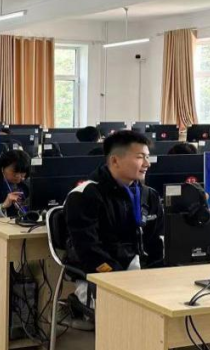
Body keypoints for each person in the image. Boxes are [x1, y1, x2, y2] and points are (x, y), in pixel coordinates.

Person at [64, 130, 165, 308]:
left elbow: (157, 240)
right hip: (100, 278)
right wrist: (120, 278)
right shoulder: (84, 195)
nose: (147, 164)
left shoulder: (150, 196)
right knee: (138, 308)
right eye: (140, 157)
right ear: (115, 161)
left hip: (142, 276)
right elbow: (88, 250)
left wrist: (157, 273)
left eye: (147, 157)